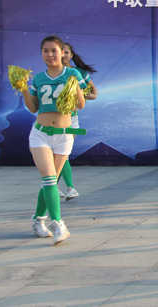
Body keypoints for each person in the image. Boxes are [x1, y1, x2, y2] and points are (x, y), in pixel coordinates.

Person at [21, 35, 86, 245]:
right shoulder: (39, 78)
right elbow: (33, 108)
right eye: (46, 51)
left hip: (64, 135)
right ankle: (58, 224)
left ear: (62, 53)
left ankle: (37, 220)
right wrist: (23, 88)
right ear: (41, 53)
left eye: (54, 51)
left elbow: (81, 104)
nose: (50, 55)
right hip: (40, 133)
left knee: (50, 181)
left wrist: (74, 88)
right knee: (49, 178)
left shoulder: (73, 74)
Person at [57, 42, 98, 201]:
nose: (64, 55)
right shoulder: (52, 73)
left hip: (71, 118)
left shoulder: (78, 72)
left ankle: (62, 187)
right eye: (61, 52)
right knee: (59, 154)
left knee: (63, 153)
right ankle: (64, 188)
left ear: (71, 55)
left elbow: (93, 92)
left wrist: (84, 95)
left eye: (66, 52)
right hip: (53, 119)